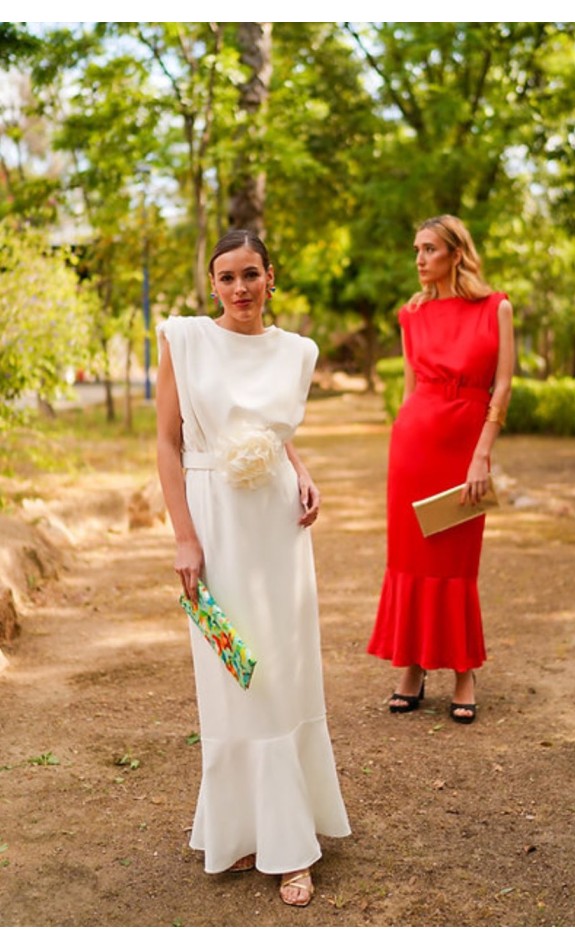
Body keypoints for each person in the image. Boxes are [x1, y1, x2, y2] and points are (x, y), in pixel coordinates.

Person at [156, 229, 350, 908]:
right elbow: (167, 440)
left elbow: (276, 432)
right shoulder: (183, 339)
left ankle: (292, 843)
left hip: (277, 529)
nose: (239, 288)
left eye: (250, 275)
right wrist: (184, 536)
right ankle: (239, 829)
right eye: (226, 277)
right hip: (213, 521)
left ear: (272, 277)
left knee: (282, 667)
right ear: (213, 284)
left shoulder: (297, 352)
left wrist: (301, 470)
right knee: (231, 669)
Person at [367, 214, 514, 724]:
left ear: (456, 252)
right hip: (414, 444)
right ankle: (410, 666)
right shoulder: (412, 314)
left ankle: (463, 672)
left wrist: (482, 453)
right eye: (417, 250)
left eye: (429, 248)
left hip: (465, 444)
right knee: (409, 558)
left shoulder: (496, 308)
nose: (420, 258)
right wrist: (401, 438)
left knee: (456, 560)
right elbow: (409, 390)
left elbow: (502, 387)